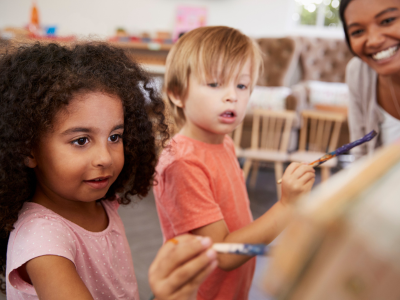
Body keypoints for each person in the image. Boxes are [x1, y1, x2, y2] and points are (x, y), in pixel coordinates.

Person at [0, 42, 218, 300]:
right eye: (81, 141)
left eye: (115, 137)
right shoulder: (43, 242)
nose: (105, 158)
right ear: (28, 150)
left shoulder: (102, 204)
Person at [153, 26, 316, 300]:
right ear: (177, 94)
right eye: (215, 84)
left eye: (241, 85)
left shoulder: (224, 142)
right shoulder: (182, 164)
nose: (233, 96)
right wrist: (287, 205)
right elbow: (225, 252)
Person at [340, 0, 400, 159]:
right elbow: (361, 153)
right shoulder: (358, 72)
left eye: (388, 20)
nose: (374, 40)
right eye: (358, 31)